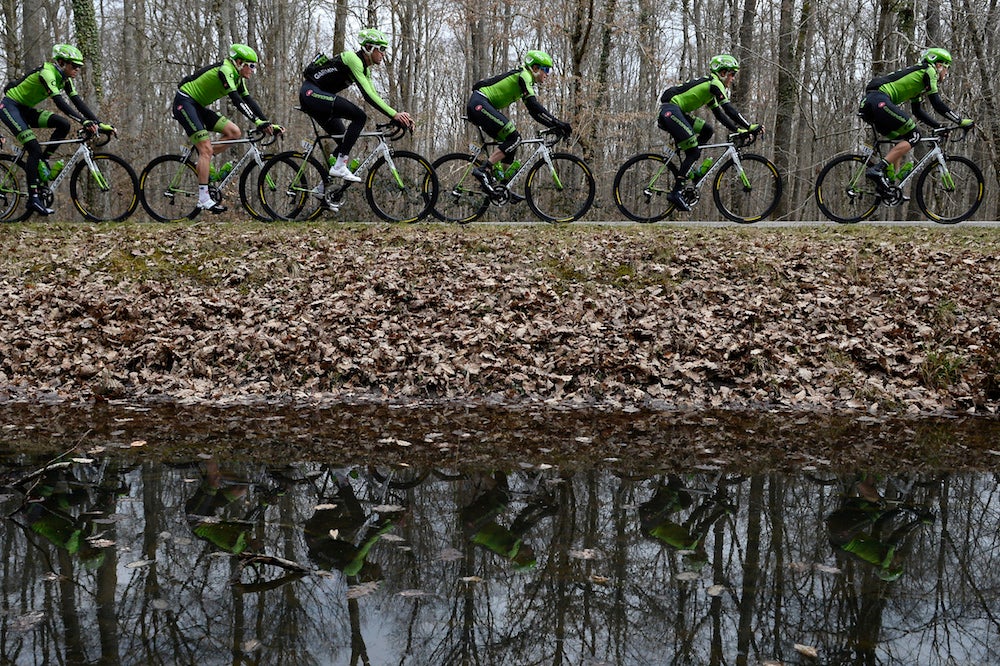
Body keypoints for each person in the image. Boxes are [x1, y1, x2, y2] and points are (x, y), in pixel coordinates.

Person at [0, 44, 114, 215]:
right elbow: (60, 102)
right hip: (10, 108)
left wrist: (99, 123)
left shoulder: (65, 80)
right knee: (34, 148)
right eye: (73, 65)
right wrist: (83, 121)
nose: (77, 69)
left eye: (79, 66)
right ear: (61, 62)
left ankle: (43, 161)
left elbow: (78, 103)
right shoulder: (48, 73)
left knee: (63, 125)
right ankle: (33, 199)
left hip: (25, 110)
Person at [171, 43, 282, 213]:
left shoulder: (238, 77)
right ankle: (203, 198)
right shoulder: (226, 70)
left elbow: (249, 101)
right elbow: (237, 101)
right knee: (206, 149)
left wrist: (267, 123)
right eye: (251, 66)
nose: (253, 70)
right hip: (184, 102)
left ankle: (204, 162)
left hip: (197, 106)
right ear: (239, 62)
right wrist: (256, 121)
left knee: (234, 132)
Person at [299, 28, 415, 184]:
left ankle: (324, 187)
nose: (384, 53)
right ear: (369, 48)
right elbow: (367, 96)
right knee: (360, 117)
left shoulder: (365, 71)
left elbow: (374, 95)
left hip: (319, 99)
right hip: (311, 93)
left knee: (344, 141)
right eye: (381, 49)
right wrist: (395, 114)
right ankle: (340, 166)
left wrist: (396, 116)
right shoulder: (353, 59)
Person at [657, 54, 760, 212]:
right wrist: (749, 126)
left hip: (675, 111)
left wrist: (739, 130)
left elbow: (720, 116)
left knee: (707, 130)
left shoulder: (710, 91)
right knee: (693, 152)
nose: (733, 79)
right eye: (732, 74)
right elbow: (728, 109)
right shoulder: (715, 83)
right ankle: (676, 192)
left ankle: (691, 169)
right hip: (670, 110)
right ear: (723, 73)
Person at [860, 48, 974, 190]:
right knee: (915, 136)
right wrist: (959, 121)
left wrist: (937, 126)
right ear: (939, 65)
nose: (946, 73)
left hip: (870, 103)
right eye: (947, 68)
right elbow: (936, 103)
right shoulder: (929, 71)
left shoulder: (918, 80)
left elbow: (917, 111)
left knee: (901, 139)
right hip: (879, 100)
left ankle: (890, 180)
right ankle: (878, 169)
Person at [466, 50, 572, 192]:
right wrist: (558, 123)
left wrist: (554, 125)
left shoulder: (525, 80)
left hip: (480, 104)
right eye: (546, 70)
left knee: (511, 145)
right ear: (535, 68)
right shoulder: (524, 76)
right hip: (480, 103)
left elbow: (534, 113)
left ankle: (502, 188)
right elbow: (534, 106)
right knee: (514, 138)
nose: (547, 74)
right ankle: (483, 169)